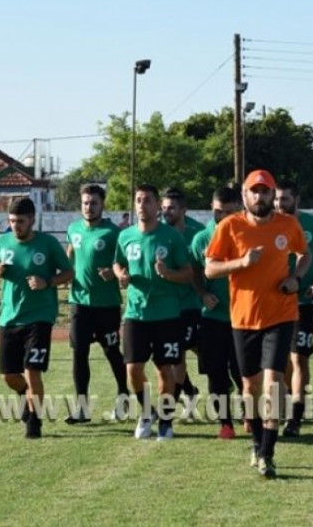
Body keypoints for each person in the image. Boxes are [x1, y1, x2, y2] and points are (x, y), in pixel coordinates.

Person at [205, 169, 310, 479]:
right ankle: (255, 443)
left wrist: (295, 278)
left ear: (272, 195)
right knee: (249, 387)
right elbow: (210, 269)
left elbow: (304, 254)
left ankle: (268, 452)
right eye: (255, 191)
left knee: (273, 381)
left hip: (280, 315)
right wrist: (241, 263)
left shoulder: (288, 224)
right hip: (243, 318)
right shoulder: (229, 226)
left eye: (266, 191)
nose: (260, 196)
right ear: (245, 196)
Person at [113, 184, 193, 441]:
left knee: (165, 370)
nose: (141, 205)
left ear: (157, 206)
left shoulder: (171, 237)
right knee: (133, 369)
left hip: (167, 314)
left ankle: (166, 423)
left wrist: (169, 274)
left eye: (147, 200)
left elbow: (188, 273)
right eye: (138, 200)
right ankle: (146, 412)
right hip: (135, 313)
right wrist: (121, 275)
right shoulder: (125, 236)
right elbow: (117, 262)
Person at [0, 197, 73, 439]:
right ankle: (28, 397)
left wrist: (47, 282)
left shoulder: (47, 243)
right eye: (12, 221)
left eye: (21, 221)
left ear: (32, 220)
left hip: (40, 316)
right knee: (8, 376)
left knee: (32, 370)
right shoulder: (2, 241)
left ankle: (34, 423)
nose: (16, 226)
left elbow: (68, 272)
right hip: (9, 317)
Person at [64, 184, 130, 424]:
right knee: (79, 353)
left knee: (112, 352)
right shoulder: (73, 229)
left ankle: (124, 396)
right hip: (79, 304)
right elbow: (70, 254)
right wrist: (64, 273)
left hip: (107, 304)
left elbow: (127, 262)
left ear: (103, 205)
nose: (88, 207)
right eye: (85, 203)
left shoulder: (114, 233)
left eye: (93, 203)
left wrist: (116, 274)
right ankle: (82, 409)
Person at [274, 180, 313, 437]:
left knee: (299, 357)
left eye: (284, 199)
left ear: (296, 199)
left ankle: (295, 416)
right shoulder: (268, 225)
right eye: (276, 199)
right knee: (280, 359)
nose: (279, 204)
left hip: (303, 304)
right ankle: (286, 400)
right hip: (272, 302)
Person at [191, 186, 244, 438]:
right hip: (212, 318)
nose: (223, 217)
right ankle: (225, 423)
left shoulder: (250, 234)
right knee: (215, 371)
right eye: (218, 212)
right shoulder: (202, 238)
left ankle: (248, 410)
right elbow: (193, 270)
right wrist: (203, 293)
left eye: (229, 212)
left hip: (244, 318)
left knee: (243, 370)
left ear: (240, 209)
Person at [161, 187, 204, 410]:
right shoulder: (157, 232)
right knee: (171, 354)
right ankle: (188, 391)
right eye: (164, 208)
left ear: (183, 210)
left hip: (190, 304)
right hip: (166, 305)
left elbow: (204, 268)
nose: (167, 212)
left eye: (172, 208)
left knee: (180, 352)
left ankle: (169, 405)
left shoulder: (197, 233)